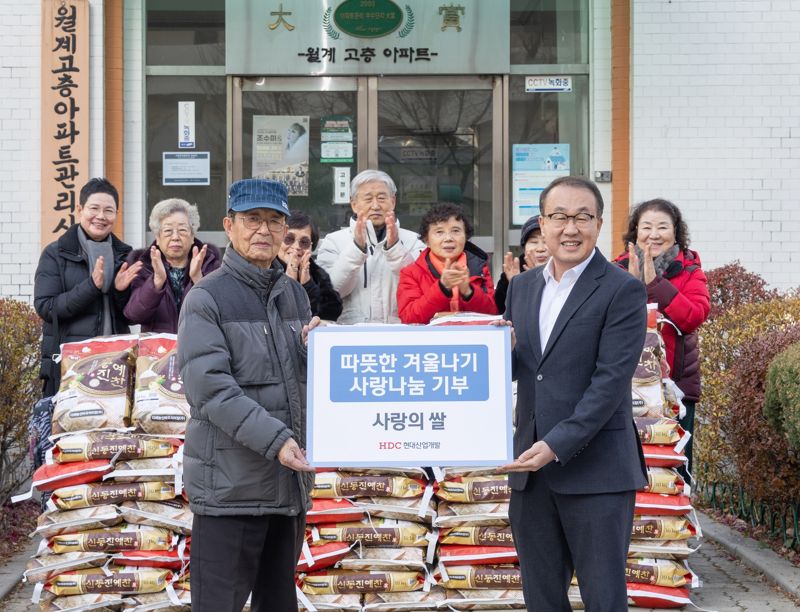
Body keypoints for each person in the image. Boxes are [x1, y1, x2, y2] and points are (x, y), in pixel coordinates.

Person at [500, 176, 648, 611]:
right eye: (559, 217)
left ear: (599, 224)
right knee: (541, 598)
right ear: (542, 225)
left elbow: (609, 384)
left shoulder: (622, 290)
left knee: (603, 598)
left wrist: (556, 444)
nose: (571, 228)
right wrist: (496, 353)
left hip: (597, 471)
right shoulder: (524, 288)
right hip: (531, 473)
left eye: (582, 217)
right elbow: (527, 369)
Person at [177, 178, 319, 612]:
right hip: (230, 488)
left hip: (287, 486)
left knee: (278, 603)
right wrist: (277, 441)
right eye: (252, 219)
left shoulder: (294, 294)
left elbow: (299, 382)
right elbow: (210, 389)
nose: (264, 230)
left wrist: (323, 353)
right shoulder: (206, 298)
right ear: (229, 226)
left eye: (274, 221)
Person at [614, 198, 710, 474]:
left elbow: (693, 316)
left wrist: (655, 284)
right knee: (625, 465)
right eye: (646, 227)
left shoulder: (690, 271)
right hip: (625, 385)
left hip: (674, 388)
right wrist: (632, 285)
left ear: (676, 232)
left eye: (662, 227)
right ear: (635, 232)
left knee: (673, 467)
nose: (653, 235)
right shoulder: (616, 268)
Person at [34, 178, 143, 397]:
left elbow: (131, 317)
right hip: (70, 366)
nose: (101, 216)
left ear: (116, 215)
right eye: (94, 208)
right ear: (79, 209)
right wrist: (91, 286)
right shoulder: (56, 253)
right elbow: (46, 307)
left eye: (109, 210)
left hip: (116, 364)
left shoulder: (125, 254)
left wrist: (120, 292)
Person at [316, 169, 425, 324]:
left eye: (381, 198)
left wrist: (394, 248)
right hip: (351, 338)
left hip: (400, 336)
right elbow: (330, 292)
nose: (375, 206)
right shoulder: (333, 241)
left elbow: (420, 287)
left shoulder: (414, 240)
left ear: (393, 201)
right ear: (354, 204)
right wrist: (356, 249)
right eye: (368, 199)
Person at [124, 198, 221, 333]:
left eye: (182, 230)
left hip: (199, 348)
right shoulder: (143, 266)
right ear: (157, 237)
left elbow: (220, 312)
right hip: (157, 350)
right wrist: (156, 282)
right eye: (168, 231)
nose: (175, 237)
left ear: (193, 236)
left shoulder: (210, 264)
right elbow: (134, 315)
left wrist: (198, 279)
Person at [397, 202, 496, 324]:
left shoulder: (480, 268)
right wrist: (442, 287)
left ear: (466, 237)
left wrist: (468, 291)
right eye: (439, 232)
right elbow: (409, 317)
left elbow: (492, 314)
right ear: (426, 240)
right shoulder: (411, 273)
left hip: (472, 342)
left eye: (455, 231)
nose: (448, 238)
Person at [277, 210, 342, 321]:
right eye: (289, 239)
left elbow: (332, 312)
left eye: (304, 242)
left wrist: (308, 285)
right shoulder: (264, 269)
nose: (296, 246)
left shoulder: (316, 273)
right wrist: (289, 284)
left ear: (311, 247)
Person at [494, 216, 550, 313]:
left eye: (546, 242)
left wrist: (540, 281)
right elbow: (500, 309)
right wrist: (514, 284)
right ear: (524, 248)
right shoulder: (514, 271)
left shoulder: (564, 270)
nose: (540, 248)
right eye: (534, 242)